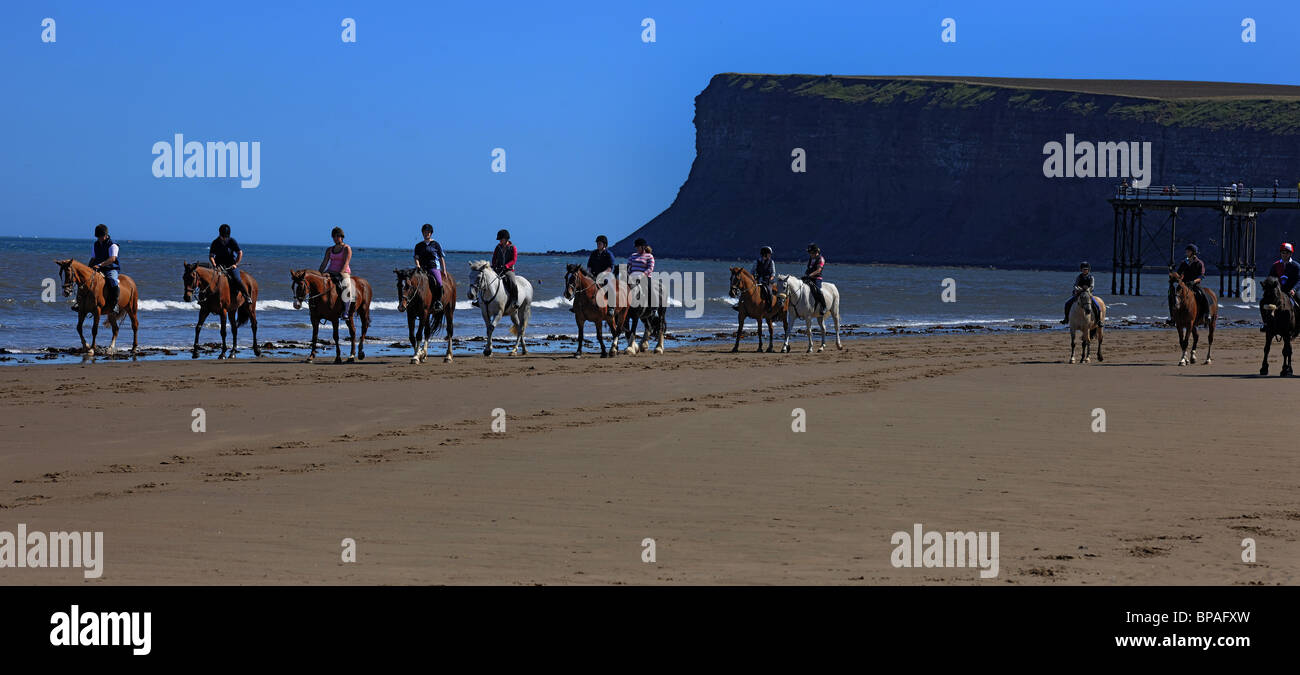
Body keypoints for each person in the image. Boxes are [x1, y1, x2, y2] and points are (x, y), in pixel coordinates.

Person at [572, 235, 615, 315]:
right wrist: (589, 273)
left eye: (600, 243)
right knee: (581, 284)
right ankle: (576, 305)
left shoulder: (609, 254)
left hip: (606, 275)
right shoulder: (594, 253)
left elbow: (610, 267)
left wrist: (603, 274)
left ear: (604, 245)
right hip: (593, 275)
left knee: (610, 285)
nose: (598, 245)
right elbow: (589, 266)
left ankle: (611, 307)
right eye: (597, 243)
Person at [318, 227, 355, 320]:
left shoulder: (347, 248)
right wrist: (318, 273)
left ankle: (346, 312)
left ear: (341, 237)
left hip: (343, 272)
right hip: (330, 271)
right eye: (333, 236)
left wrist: (340, 273)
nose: (335, 238)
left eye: (337, 236)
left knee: (347, 287)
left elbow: (346, 263)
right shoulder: (329, 249)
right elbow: (324, 263)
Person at [83, 224, 121, 313]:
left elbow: (112, 259)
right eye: (98, 237)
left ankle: (115, 305)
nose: (99, 239)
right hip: (98, 268)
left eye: (101, 237)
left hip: (111, 268)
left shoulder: (113, 245)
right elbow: (93, 258)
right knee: (84, 280)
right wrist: (88, 269)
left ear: (106, 235)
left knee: (112, 280)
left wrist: (100, 265)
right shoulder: (95, 244)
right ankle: (80, 303)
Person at [208, 224, 248, 307]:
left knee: (237, 278)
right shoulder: (215, 242)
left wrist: (236, 264)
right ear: (220, 234)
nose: (224, 238)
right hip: (219, 265)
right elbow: (211, 256)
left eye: (226, 236)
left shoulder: (232, 241)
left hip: (231, 265)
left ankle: (246, 296)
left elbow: (240, 253)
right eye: (223, 236)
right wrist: (214, 264)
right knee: (210, 279)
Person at [413, 223, 445, 313]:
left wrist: (444, 270)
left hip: (433, 267)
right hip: (422, 268)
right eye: (424, 232)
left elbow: (441, 258)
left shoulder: (435, 244)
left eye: (428, 232)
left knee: (439, 282)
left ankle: (438, 301)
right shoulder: (418, 245)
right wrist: (418, 266)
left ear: (431, 233)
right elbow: (416, 257)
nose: (426, 233)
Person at [485, 229, 518, 309]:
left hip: (508, 270)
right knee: (485, 280)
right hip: (498, 269)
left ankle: (515, 301)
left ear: (506, 239)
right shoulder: (498, 247)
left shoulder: (512, 248)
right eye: (499, 239)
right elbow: (494, 257)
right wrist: (493, 265)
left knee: (512, 282)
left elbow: (514, 260)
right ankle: (480, 300)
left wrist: (506, 266)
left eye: (501, 239)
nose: (499, 241)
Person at [1176, 244, 1208, 317]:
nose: (1186, 253)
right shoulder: (1184, 262)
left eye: (1188, 251)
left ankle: (1207, 313)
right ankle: (1173, 316)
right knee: (1173, 295)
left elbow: (1201, 276)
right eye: (1186, 251)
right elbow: (1178, 273)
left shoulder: (1199, 263)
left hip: (1195, 284)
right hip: (1184, 284)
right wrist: (1174, 275)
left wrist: (1193, 281)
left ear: (1193, 252)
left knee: (1202, 294)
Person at [802, 243, 827, 314]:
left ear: (815, 252)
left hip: (817, 278)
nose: (810, 254)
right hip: (809, 277)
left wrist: (810, 275)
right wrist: (805, 275)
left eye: (811, 252)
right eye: (809, 252)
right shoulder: (811, 259)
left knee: (818, 290)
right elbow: (809, 268)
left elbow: (818, 270)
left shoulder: (821, 259)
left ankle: (823, 306)